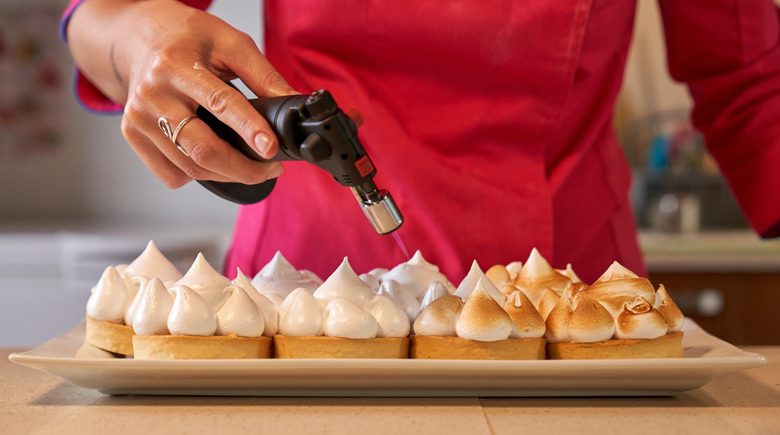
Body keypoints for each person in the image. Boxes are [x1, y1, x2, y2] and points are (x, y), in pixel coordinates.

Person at [60, 0, 780, 284]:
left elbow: (749, 74)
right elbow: (106, 19)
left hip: (570, 300)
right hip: (305, 293)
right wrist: (137, 42)